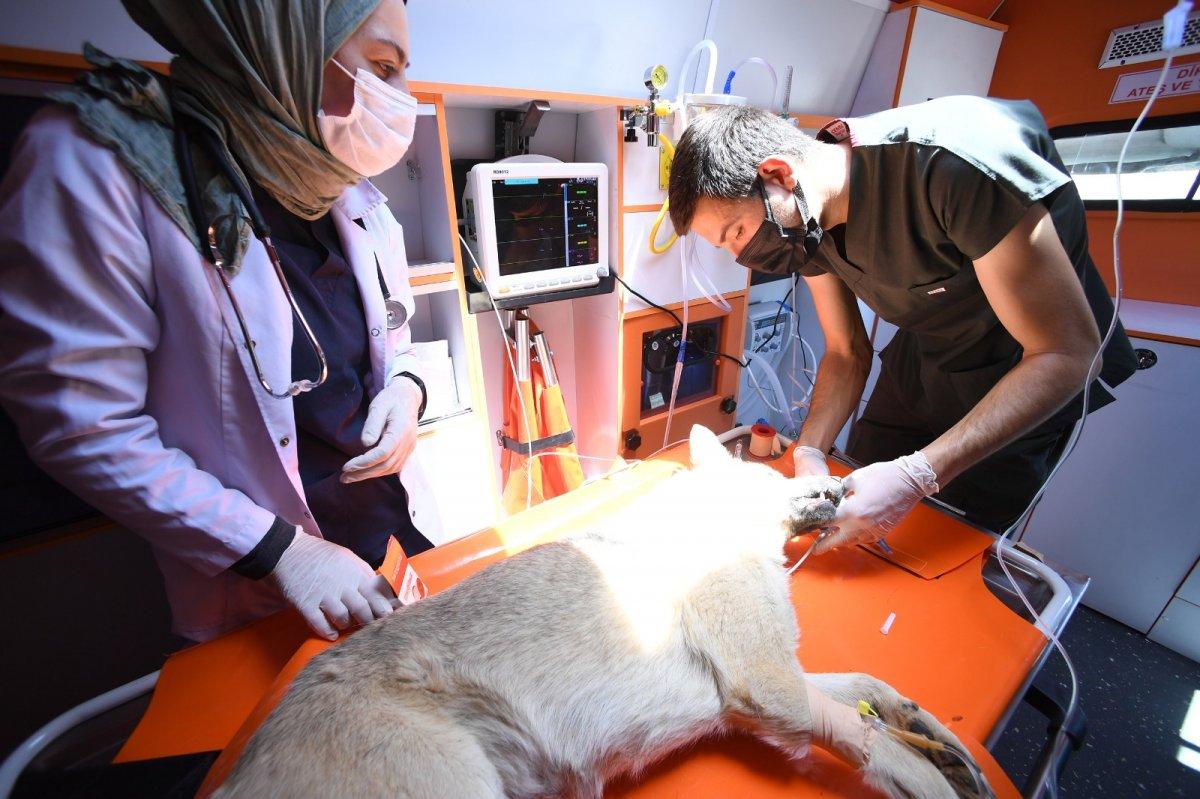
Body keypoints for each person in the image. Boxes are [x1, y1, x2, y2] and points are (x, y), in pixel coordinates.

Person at [0, 0, 438, 642]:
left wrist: (408, 388)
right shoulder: (99, 165)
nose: (402, 97)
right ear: (278, 43)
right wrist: (281, 551)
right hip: (271, 583)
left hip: (393, 532)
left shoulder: (335, 181)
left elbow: (391, 336)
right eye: (381, 65)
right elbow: (83, 424)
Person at [668, 98, 1137, 552]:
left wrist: (918, 475)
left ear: (778, 175)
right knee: (857, 511)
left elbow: (1068, 354)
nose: (742, 255)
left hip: (1025, 370)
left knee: (938, 546)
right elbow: (845, 351)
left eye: (736, 233)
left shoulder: (952, 169)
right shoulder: (802, 224)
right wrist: (808, 452)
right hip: (926, 358)